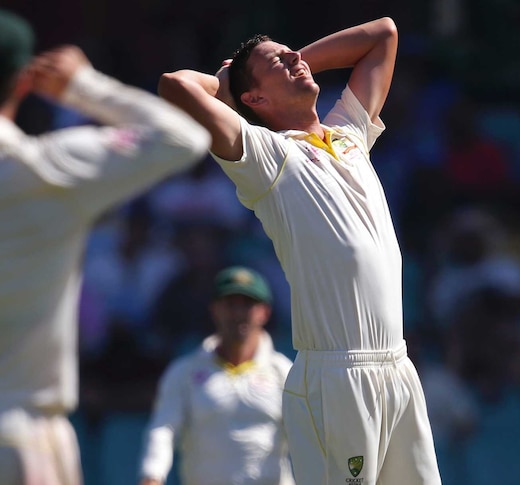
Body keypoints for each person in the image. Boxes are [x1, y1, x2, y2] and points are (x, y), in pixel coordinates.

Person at [157, 17, 441, 485]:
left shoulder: (350, 135)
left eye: (293, 53)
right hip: (336, 379)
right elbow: (175, 86)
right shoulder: (267, 157)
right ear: (253, 99)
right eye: (277, 60)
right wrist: (227, 81)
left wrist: (291, 60)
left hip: (397, 367)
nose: (294, 58)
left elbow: (383, 35)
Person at [0, 9, 210, 485]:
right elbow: (183, 138)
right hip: (18, 434)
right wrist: (83, 85)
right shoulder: (45, 171)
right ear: (21, 81)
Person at [138, 265, 295, 485]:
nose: (238, 314)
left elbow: (308, 439)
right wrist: (152, 475)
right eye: (231, 305)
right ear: (215, 310)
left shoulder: (284, 372)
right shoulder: (185, 372)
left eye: (247, 305)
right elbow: (164, 428)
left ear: (264, 312)